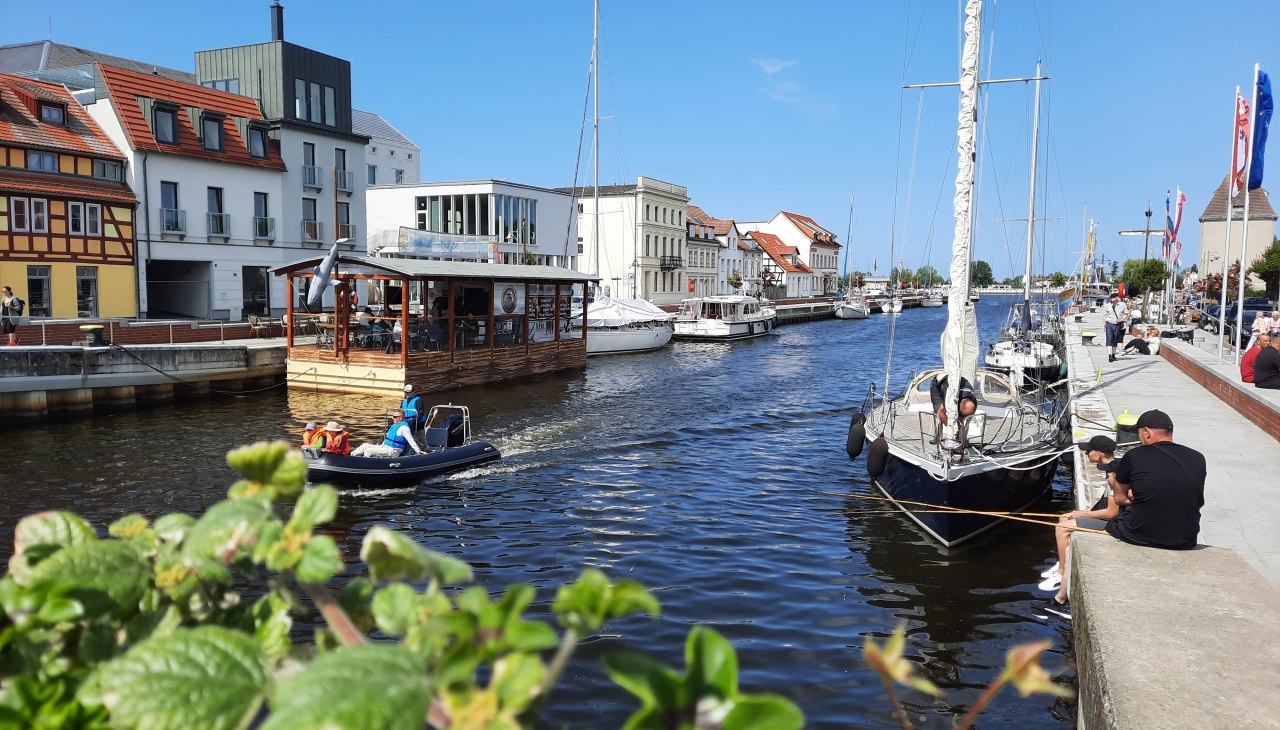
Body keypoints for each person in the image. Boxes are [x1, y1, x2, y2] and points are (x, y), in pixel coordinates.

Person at [1045, 410, 1206, 620]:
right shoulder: (1197, 457)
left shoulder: (1135, 456)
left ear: (1147, 432)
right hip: (1186, 537)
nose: (1138, 438)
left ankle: (1061, 599)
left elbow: (1120, 500)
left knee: (1097, 528)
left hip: (1142, 533)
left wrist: (1133, 494)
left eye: (1139, 432)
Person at [1037, 435, 1120, 603]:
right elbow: (1103, 503)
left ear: (1098, 453)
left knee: (1062, 527)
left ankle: (1061, 572)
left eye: (1089, 451)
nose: (1086, 453)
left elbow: (1112, 513)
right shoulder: (1109, 468)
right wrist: (1083, 511)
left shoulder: (1114, 474)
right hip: (1108, 516)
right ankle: (1062, 563)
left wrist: (1085, 514)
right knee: (1063, 517)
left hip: (1113, 522)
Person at [351, 409, 424, 457]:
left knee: (368, 451)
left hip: (393, 451)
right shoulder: (395, 425)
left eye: (395, 417)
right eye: (393, 416)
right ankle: (351, 456)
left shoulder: (404, 428)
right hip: (385, 447)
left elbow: (411, 440)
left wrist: (418, 451)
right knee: (365, 445)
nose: (393, 418)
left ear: (401, 418)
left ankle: (363, 465)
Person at [1104, 293, 1131, 363]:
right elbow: (1105, 316)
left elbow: (1127, 314)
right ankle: (1110, 355)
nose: (1112, 298)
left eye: (1113, 297)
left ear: (1117, 298)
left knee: (1115, 339)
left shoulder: (1122, 305)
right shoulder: (1108, 305)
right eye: (1111, 297)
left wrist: (1121, 320)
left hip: (1118, 324)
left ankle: (1113, 354)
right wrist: (1104, 325)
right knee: (1109, 339)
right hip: (1109, 323)